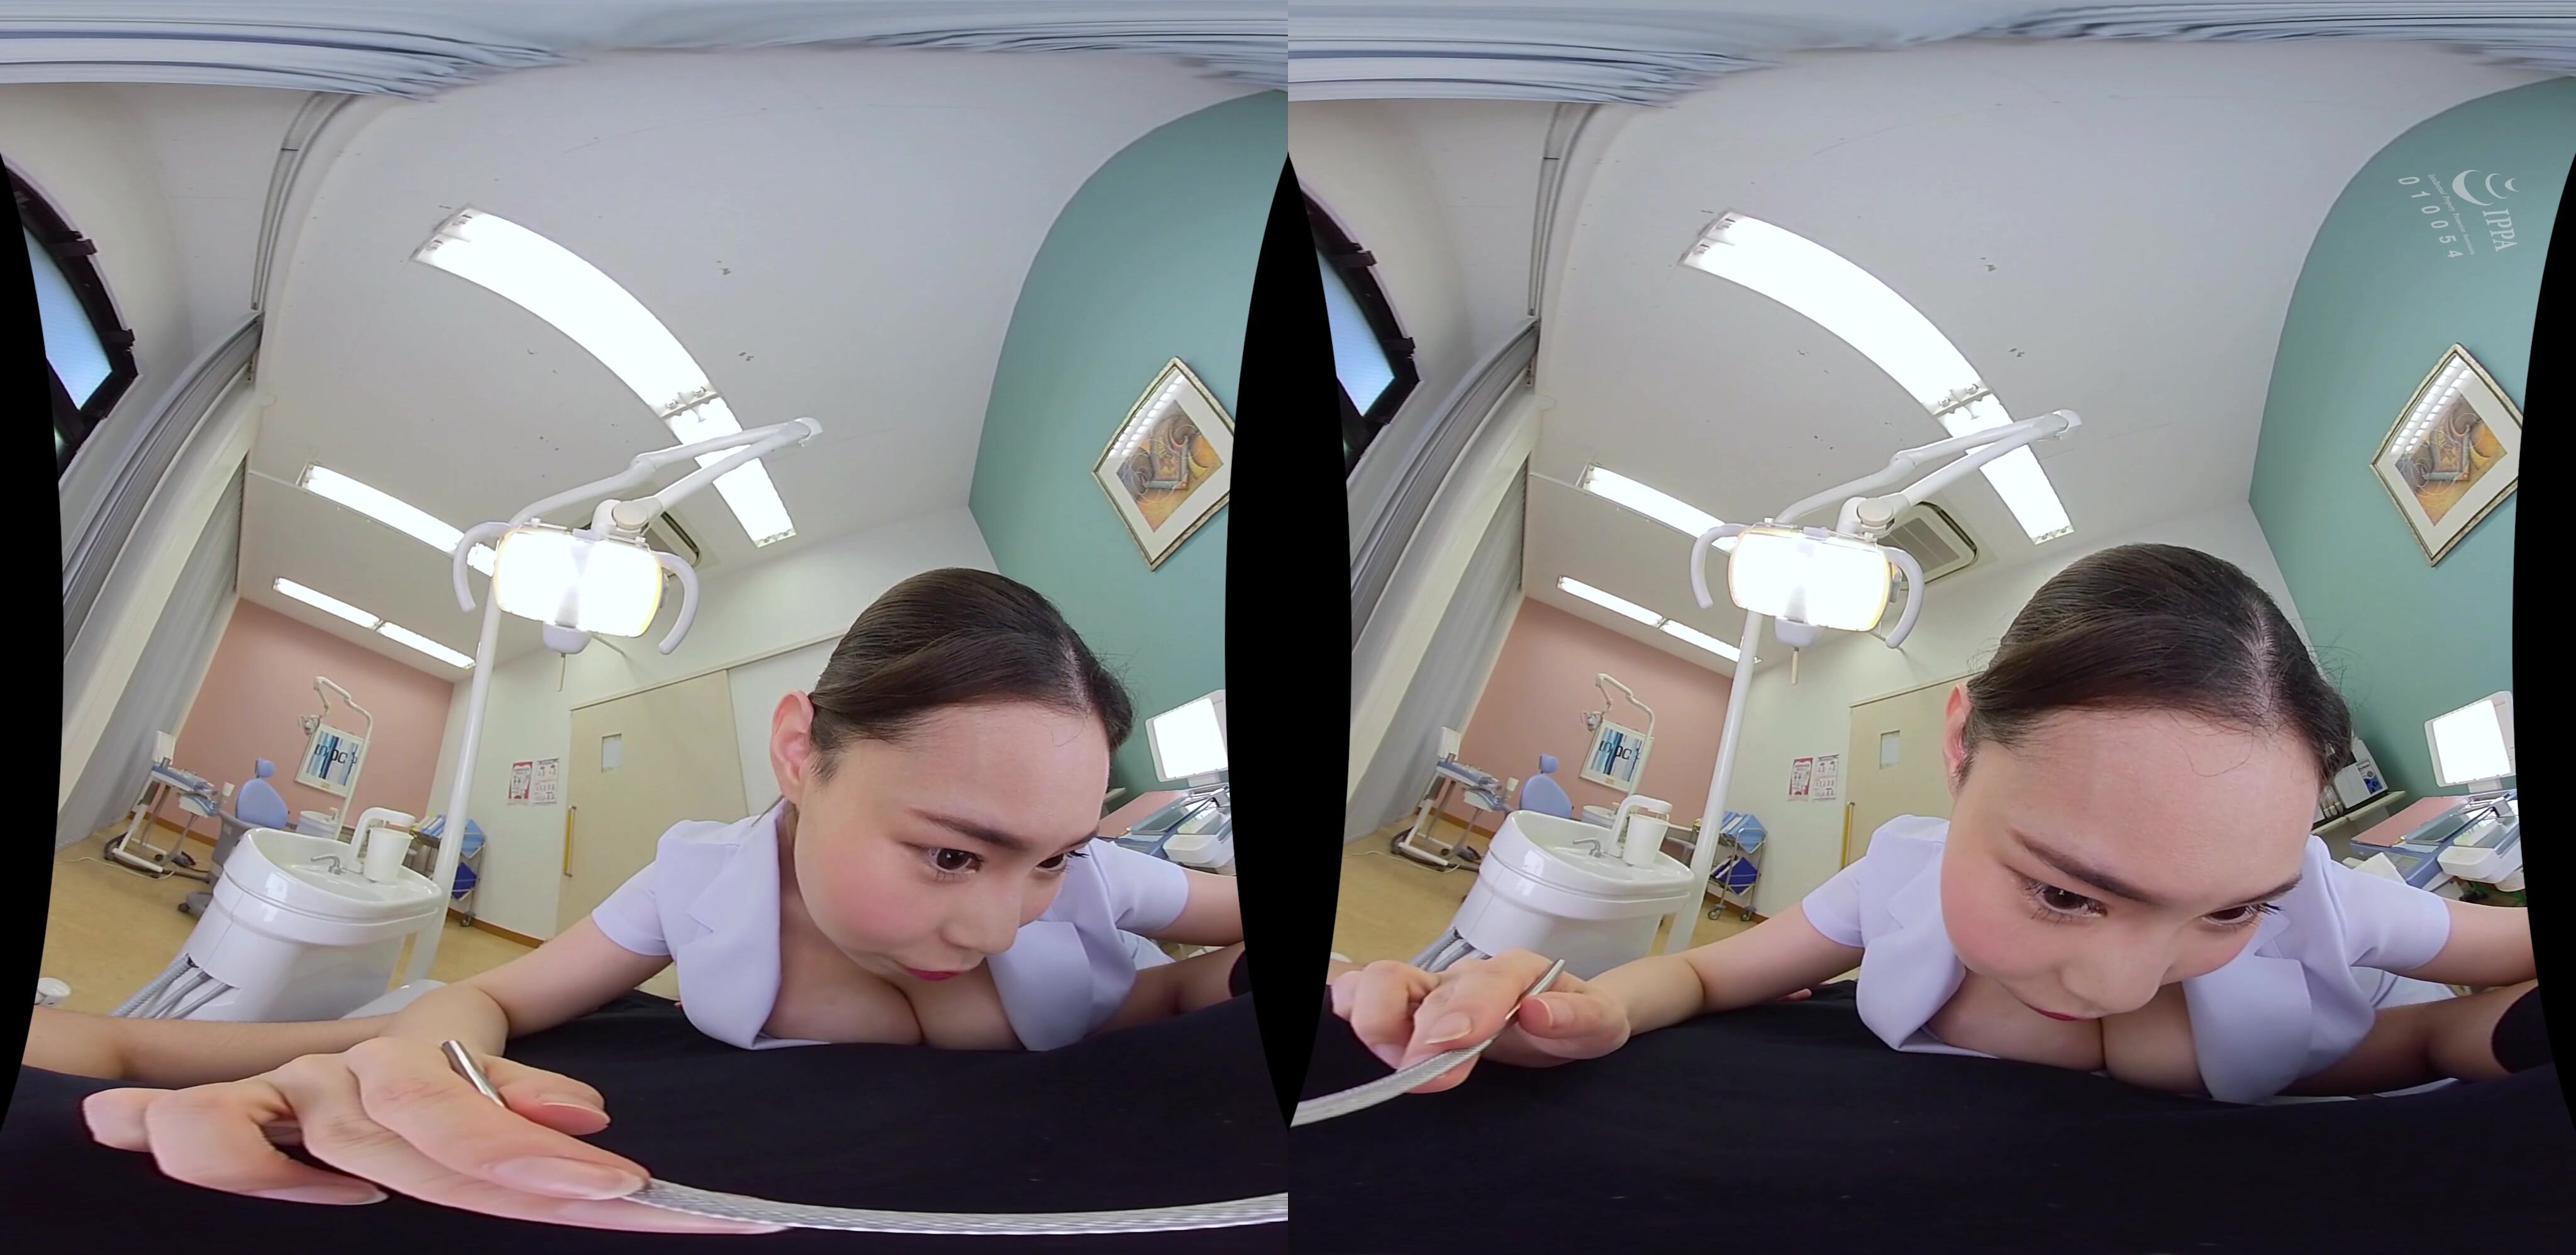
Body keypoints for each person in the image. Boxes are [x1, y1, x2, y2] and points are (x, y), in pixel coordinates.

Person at [79, 568, 1245, 1234]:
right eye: (949, 856)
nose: (997, 925)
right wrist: (428, 1070)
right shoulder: (698, 885)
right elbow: (492, 1001)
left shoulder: (1096, 879)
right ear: (801, 753)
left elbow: (1210, 957)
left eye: (1049, 858)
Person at [1332, 545, 2537, 1103]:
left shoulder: (2319, 895)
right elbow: (1699, 976)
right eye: (2063, 892)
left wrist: (2452, 1033)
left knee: (2464, 1040)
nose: (2122, 982)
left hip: (2360, 1064)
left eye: (2227, 912)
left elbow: (2506, 951)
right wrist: (1592, 1008)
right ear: (1962, 746)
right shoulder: (1897, 879)